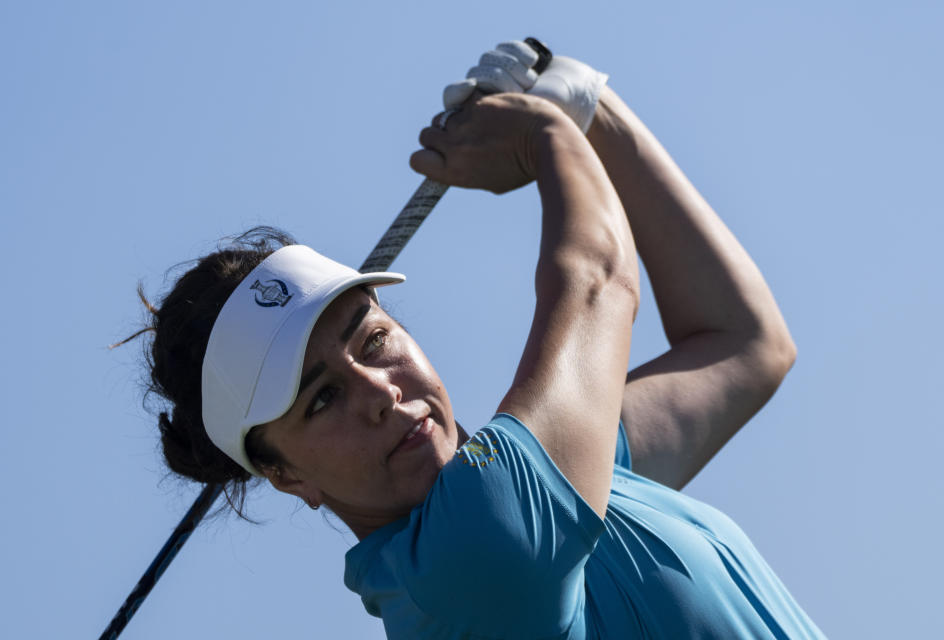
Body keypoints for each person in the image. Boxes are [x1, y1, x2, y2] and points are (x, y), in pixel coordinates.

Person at [136, 41, 827, 638]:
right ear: (286, 476)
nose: (379, 391)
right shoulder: (471, 558)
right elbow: (597, 282)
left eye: (372, 339)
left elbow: (744, 345)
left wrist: (592, 110)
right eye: (319, 400)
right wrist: (548, 136)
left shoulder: (553, 484)